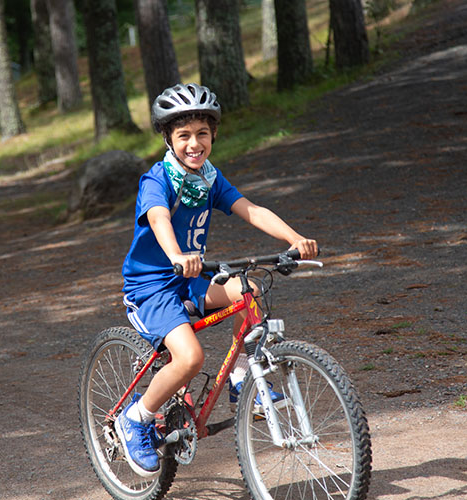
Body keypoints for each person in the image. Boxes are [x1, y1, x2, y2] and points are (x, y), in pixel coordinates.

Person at [116, 83, 318, 477]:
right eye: (184, 136)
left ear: (213, 135)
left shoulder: (209, 178)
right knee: (190, 358)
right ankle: (136, 418)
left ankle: (242, 380)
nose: (195, 144)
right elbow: (158, 217)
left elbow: (251, 209)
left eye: (202, 134)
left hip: (191, 278)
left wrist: (293, 239)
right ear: (168, 139)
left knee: (248, 291)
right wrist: (176, 255)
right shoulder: (156, 180)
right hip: (152, 287)